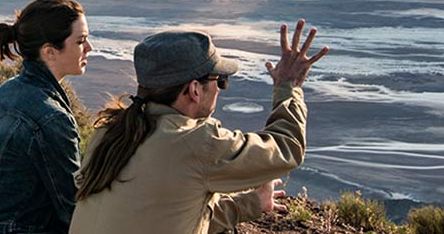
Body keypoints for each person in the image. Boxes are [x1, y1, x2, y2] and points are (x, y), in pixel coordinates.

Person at [70, 21, 331, 234]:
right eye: (221, 81)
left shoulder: (112, 131)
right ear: (194, 89)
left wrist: (251, 203)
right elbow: (287, 148)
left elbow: (165, 215)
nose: (220, 89)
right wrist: (289, 87)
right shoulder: (195, 142)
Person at [0, 0, 93, 233]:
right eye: (81, 41)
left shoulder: (6, 90)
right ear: (50, 52)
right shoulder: (51, 117)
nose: (89, 48)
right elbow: (72, 207)